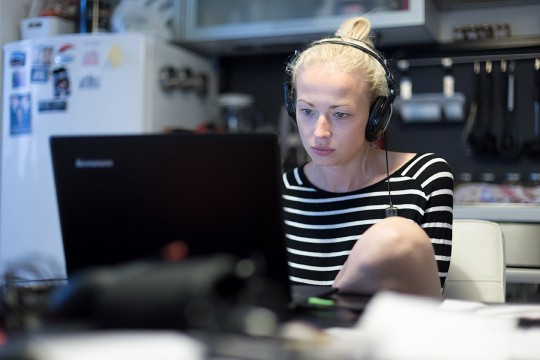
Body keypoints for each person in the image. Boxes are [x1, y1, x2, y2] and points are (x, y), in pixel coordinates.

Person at [281, 16, 453, 298]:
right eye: (307, 111)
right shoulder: (281, 190)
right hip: (296, 339)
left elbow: (424, 302)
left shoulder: (425, 178)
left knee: (396, 236)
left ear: (377, 117)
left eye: (340, 114)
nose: (319, 132)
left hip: (387, 337)